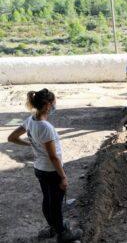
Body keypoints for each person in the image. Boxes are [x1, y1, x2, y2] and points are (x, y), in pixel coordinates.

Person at [7, 89, 82, 242]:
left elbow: (12, 137)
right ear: (48, 105)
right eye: (54, 102)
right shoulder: (46, 127)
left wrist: (32, 144)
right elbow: (54, 157)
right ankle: (63, 234)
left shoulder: (30, 120)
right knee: (55, 204)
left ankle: (53, 226)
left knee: (47, 200)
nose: (55, 104)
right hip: (51, 170)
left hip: (39, 169)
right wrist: (63, 177)